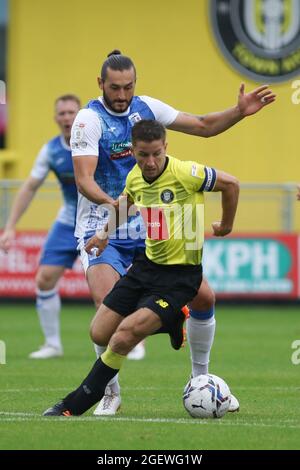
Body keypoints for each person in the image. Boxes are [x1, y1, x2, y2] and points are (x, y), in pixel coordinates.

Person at [69, 50, 275, 415]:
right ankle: (110, 393)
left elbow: (202, 125)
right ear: (100, 84)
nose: (121, 94)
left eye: (128, 87)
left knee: (204, 298)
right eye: (114, 88)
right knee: (106, 310)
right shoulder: (87, 120)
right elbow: (84, 180)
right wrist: (120, 206)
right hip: (104, 225)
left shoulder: (146, 108)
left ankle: (202, 382)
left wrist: (239, 112)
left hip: (153, 222)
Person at [43, 119, 239, 416]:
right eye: (143, 154)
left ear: (166, 148)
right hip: (146, 267)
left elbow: (231, 183)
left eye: (156, 154)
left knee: (124, 336)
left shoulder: (186, 173)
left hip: (181, 276)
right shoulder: (135, 177)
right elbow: (126, 202)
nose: (150, 162)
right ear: (133, 150)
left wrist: (225, 225)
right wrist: (103, 234)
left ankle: (78, 402)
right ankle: (172, 320)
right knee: (99, 332)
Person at [0, 95, 81, 358]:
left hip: (103, 222)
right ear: (56, 118)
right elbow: (30, 187)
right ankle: (53, 344)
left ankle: (135, 343)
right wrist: (10, 226)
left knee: (118, 284)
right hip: (68, 222)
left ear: (81, 115)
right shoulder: (51, 151)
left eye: (71, 112)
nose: (67, 117)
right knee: (44, 279)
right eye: (62, 113)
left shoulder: (97, 143)